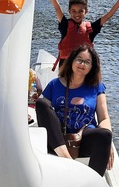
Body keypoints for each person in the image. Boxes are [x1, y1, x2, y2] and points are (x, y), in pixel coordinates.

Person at [35, 44, 113, 176]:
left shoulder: (96, 87)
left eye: (87, 62)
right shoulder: (55, 84)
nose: (82, 64)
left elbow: (104, 118)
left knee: (105, 135)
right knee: (41, 103)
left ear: (92, 67)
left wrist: (108, 144)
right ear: (71, 61)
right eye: (79, 59)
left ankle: (94, 183)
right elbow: (42, 111)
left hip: (83, 139)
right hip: (58, 140)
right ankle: (67, 160)